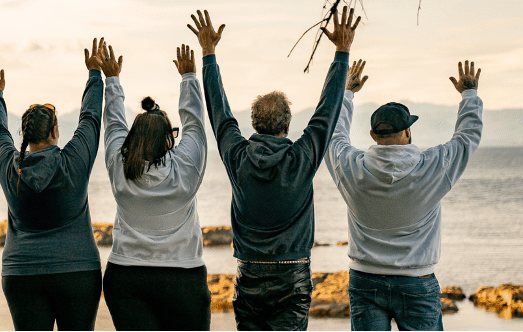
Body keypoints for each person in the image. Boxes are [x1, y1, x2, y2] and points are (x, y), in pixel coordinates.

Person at [195, 7, 360, 330]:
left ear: (254, 123)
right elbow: (327, 111)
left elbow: (219, 111)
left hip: (249, 275)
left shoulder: (238, 156)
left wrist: (209, 54)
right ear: (287, 123)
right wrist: (342, 52)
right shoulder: (302, 157)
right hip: (293, 276)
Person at [325, 60, 483, 331]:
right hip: (416, 281)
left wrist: (347, 93)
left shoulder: (350, 167)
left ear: (373, 135)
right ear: (408, 131)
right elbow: (467, 137)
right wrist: (469, 94)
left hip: (365, 280)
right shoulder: (434, 166)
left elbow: (332, 134)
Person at [0, 38, 106, 331]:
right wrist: (94, 73)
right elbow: (90, 118)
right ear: (55, 130)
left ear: (25, 134)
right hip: (77, 271)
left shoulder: (9, 165)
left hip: (22, 273)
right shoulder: (74, 160)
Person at [99, 42, 211, 330]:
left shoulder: (119, 167)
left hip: (126, 278)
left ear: (131, 137)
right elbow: (195, 124)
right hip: (183, 278)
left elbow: (113, 123)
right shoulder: (186, 168)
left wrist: (111, 80)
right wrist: (189, 77)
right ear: (169, 139)